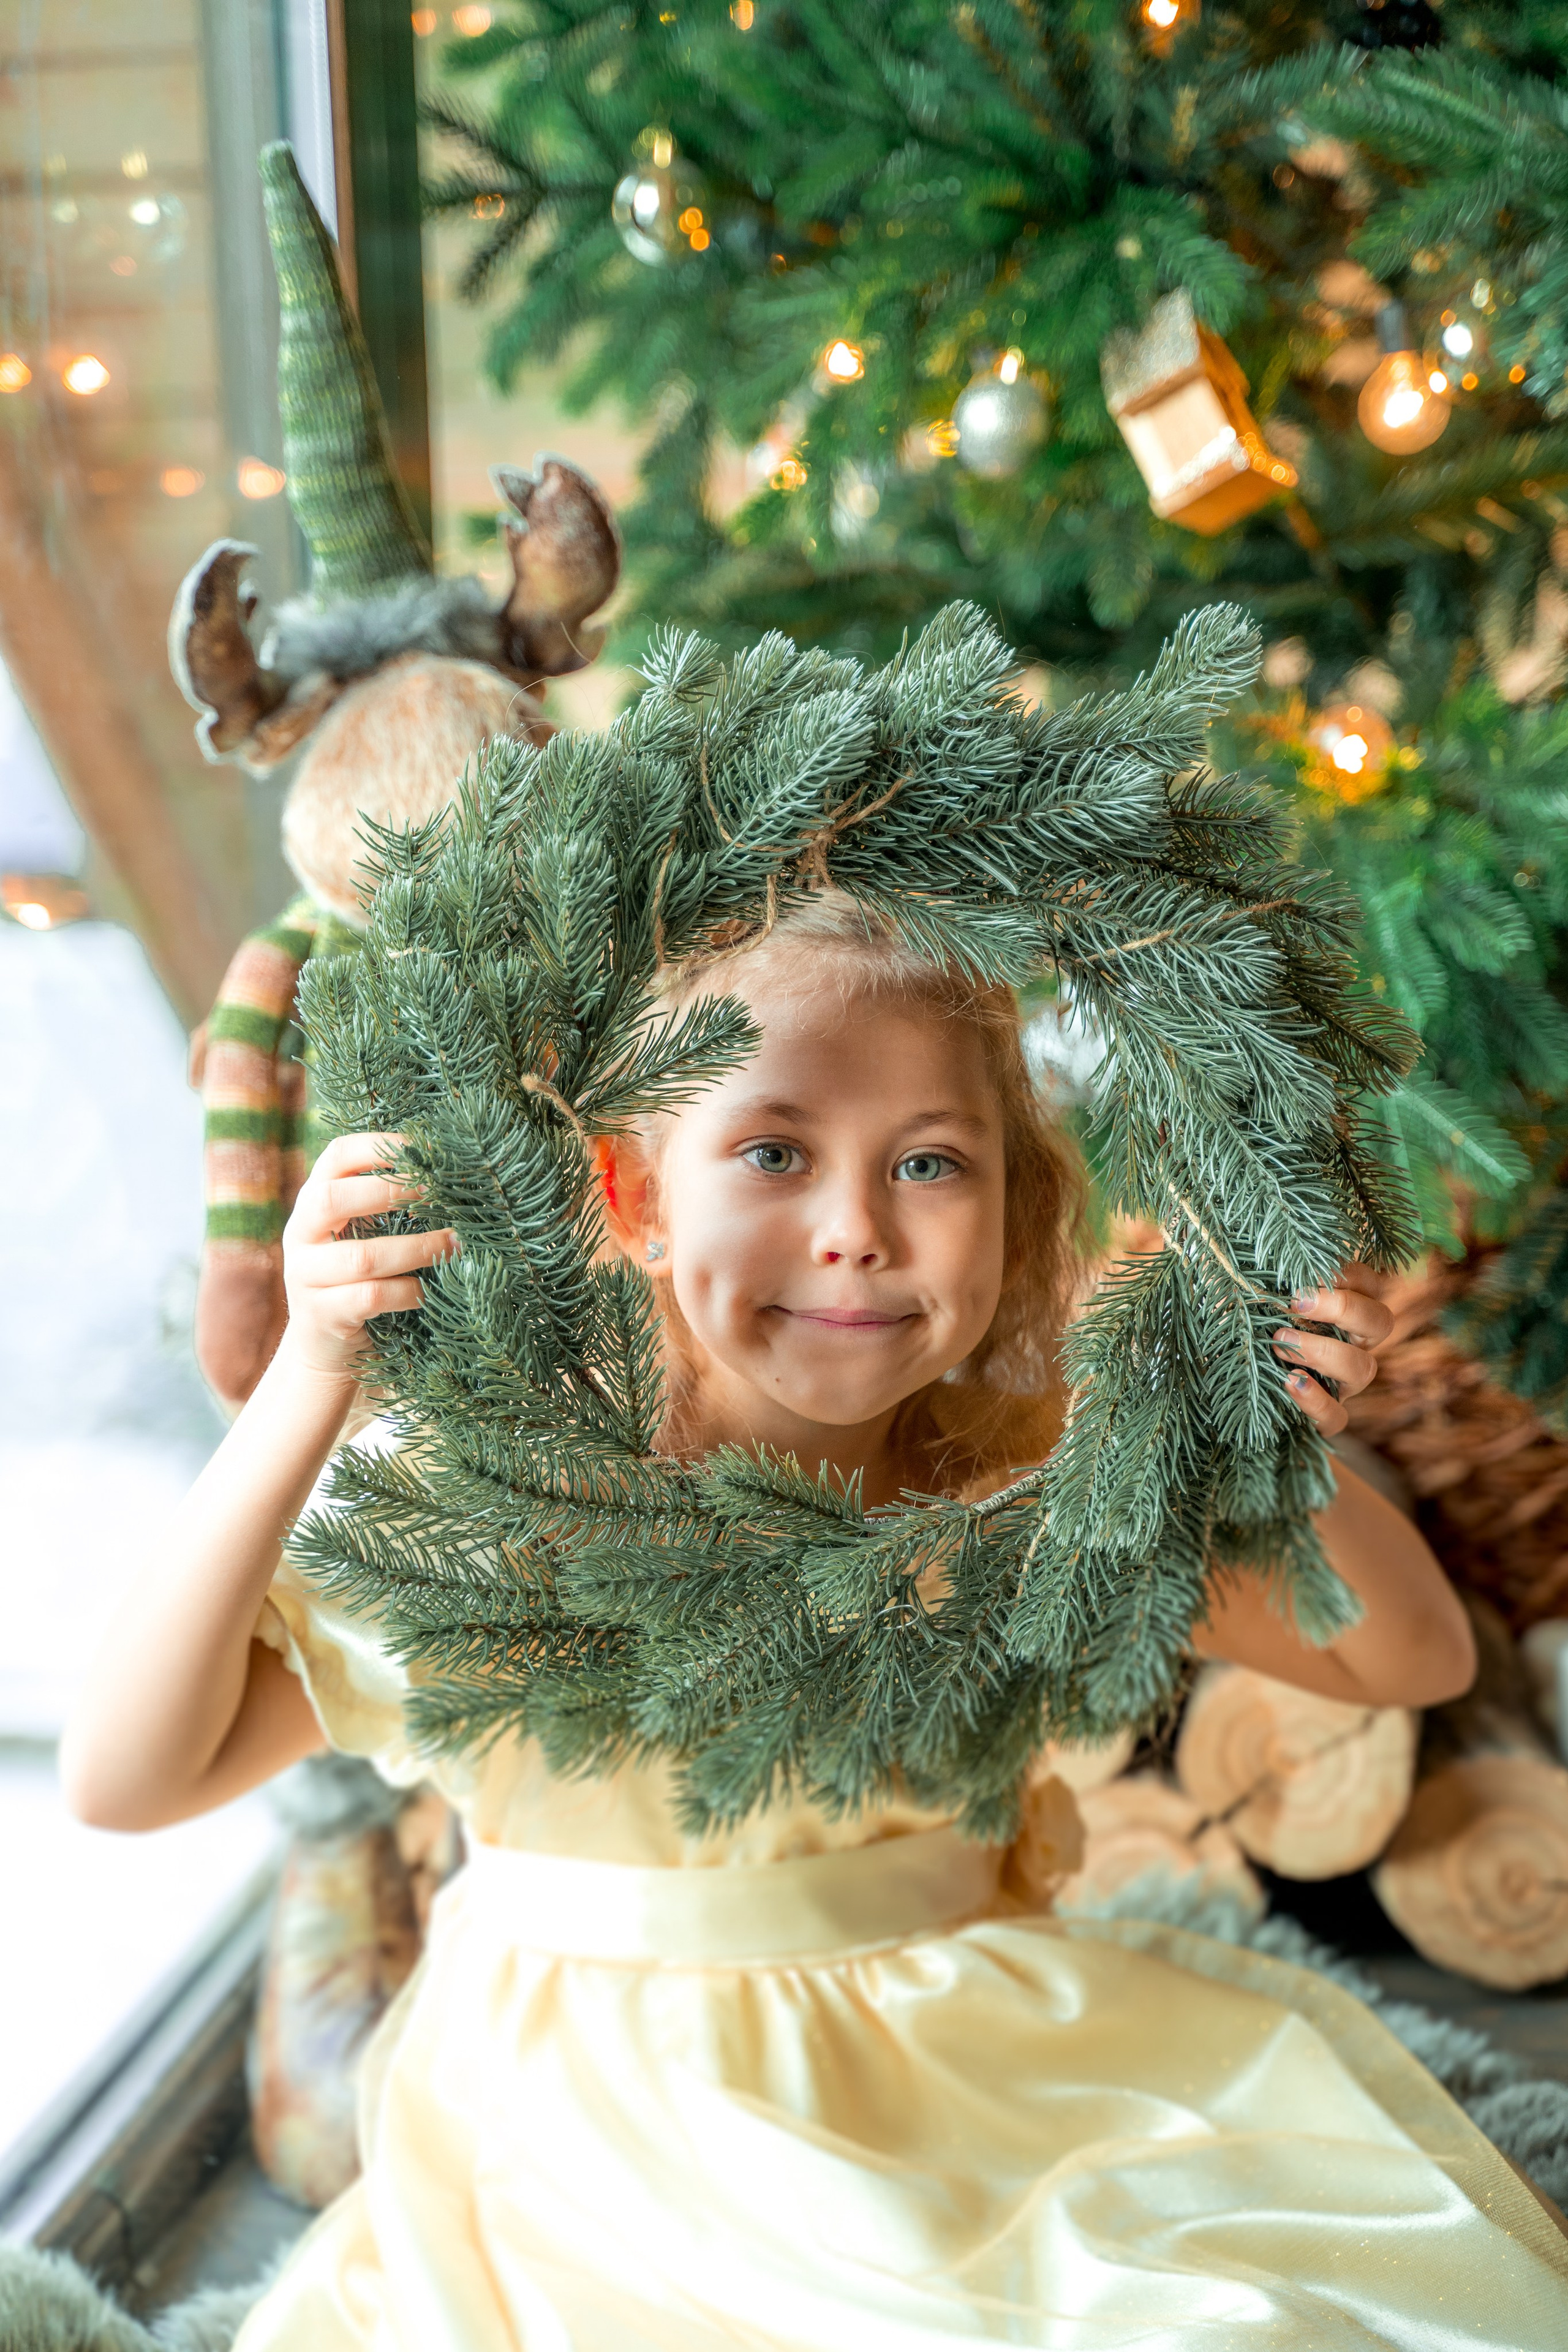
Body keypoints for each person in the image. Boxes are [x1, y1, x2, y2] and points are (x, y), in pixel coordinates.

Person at [61, 897, 1568, 2349]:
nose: (854, 1230)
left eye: (929, 1165)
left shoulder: (1028, 1475)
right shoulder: (523, 1508)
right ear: (634, 1196)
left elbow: (1408, 1658)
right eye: (774, 1152)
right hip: (592, 2157)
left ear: (1011, 1200)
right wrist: (310, 1381)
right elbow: (127, 1779)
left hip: (970, 2098)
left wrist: (1259, 1422)